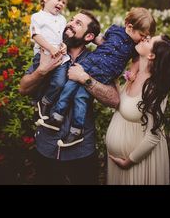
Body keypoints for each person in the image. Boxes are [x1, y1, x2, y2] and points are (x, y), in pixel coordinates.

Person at [19, 10, 120, 185]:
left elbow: (114, 99)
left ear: (89, 36)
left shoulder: (96, 61)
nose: (70, 23)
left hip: (82, 151)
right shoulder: (48, 52)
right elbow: (23, 88)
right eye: (72, 20)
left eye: (78, 24)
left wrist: (85, 79)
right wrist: (42, 71)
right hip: (46, 148)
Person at [37, 8, 156, 148]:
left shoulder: (136, 46)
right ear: (130, 27)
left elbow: (135, 61)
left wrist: (133, 72)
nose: (143, 38)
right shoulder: (115, 30)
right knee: (69, 85)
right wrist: (89, 36)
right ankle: (57, 115)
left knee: (81, 97)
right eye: (142, 34)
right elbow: (101, 40)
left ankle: (76, 130)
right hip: (91, 63)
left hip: (105, 73)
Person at [105, 34, 170, 185]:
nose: (144, 38)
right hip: (118, 160)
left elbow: (153, 135)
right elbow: (123, 104)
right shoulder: (135, 72)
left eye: (148, 40)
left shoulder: (155, 89)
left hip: (136, 163)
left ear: (151, 55)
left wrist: (130, 161)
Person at [29, 0, 70, 119]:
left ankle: (46, 101)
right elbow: (35, 35)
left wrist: (64, 45)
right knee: (41, 80)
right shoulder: (37, 17)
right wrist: (50, 48)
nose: (61, 4)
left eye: (63, 2)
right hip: (43, 55)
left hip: (59, 57)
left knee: (59, 82)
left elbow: (61, 37)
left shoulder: (62, 19)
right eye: (58, 0)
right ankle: (35, 102)